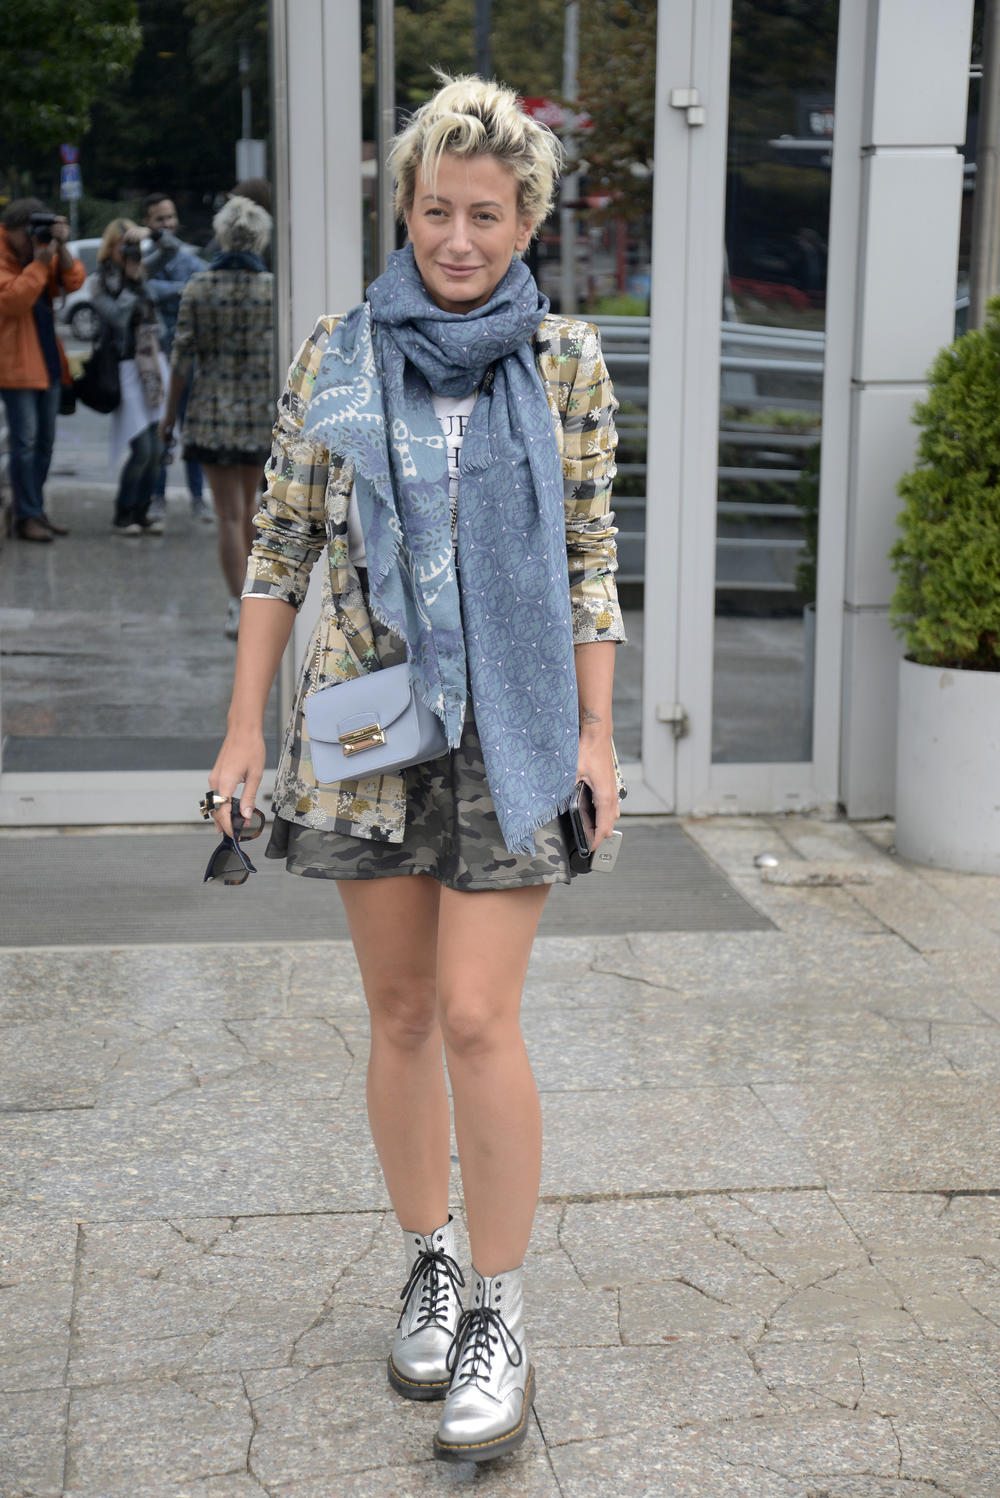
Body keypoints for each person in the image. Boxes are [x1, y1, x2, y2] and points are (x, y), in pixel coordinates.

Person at [205, 75, 625, 1465]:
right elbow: (280, 547)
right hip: (369, 727)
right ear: (405, 210)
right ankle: (428, 1261)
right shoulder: (339, 349)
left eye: (485, 215)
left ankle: (499, 1309)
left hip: (513, 728)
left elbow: (588, 559)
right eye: (437, 210)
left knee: (474, 1015)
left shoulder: (564, 362)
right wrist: (244, 728)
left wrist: (595, 732)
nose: (457, 237)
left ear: (526, 223)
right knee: (396, 1012)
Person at [158, 195, 274, 639]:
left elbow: (182, 357)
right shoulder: (271, 289)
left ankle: (237, 605)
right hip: (261, 413)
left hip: (210, 414)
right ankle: (258, 599)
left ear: (222, 235)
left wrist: (169, 416)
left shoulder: (200, 287)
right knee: (252, 507)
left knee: (228, 514)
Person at [0, 198, 85, 542]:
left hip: (48, 360)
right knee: (24, 444)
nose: (33, 240)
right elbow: (14, 300)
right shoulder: (6, 256)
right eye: (28, 233)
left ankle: (33, 510)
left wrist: (60, 246)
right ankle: (26, 516)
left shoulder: (41, 250)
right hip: (16, 365)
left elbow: (74, 280)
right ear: (11, 230)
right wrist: (39, 261)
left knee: (45, 444)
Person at [89, 219, 167, 536]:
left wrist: (152, 234)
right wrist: (131, 285)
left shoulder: (143, 269)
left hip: (152, 366)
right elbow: (117, 318)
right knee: (143, 448)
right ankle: (124, 512)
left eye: (133, 245)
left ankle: (141, 512)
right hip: (124, 369)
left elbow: (171, 249)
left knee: (158, 450)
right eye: (124, 246)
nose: (130, 253)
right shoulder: (99, 282)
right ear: (111, 248)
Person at [141, 191, 208, 523]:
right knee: (160, 431)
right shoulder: (143, 259)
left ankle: (197, 497)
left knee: (191, 429)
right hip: (156, 359)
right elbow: (146, 290)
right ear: (147, 223)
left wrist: (173, 291)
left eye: (170, 217)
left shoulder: (191, 258)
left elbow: (203, 286)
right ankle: (157, 496)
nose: (167, 224)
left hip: (189, 359)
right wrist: (184, 289)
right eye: (159, 219)